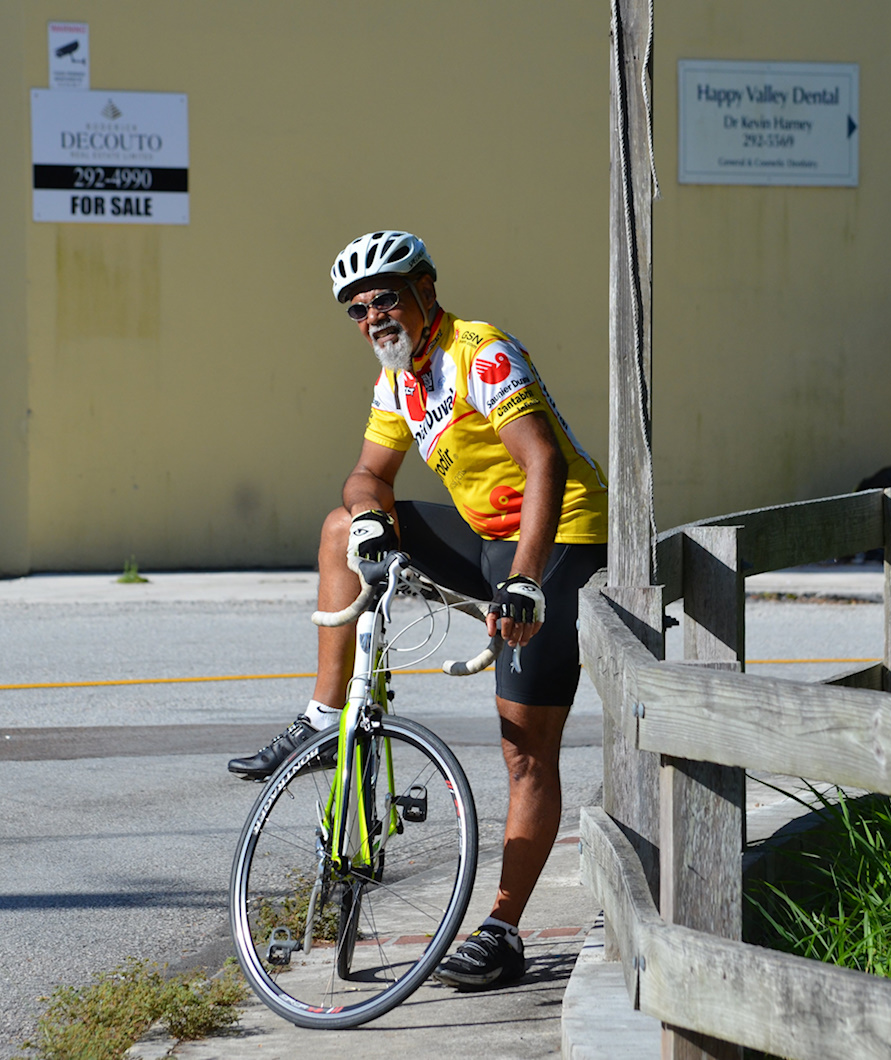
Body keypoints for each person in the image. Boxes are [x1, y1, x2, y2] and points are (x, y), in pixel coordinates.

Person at [228, 231, 608, 990]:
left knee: (525, 748)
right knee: (342, 532)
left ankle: (501, 931)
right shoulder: (397, 380)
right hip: (484, 541)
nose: (372, 316)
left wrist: (526, 580)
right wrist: (370, 514)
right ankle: (323, 719)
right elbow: (368, 473)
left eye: (385, 298)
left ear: (426, 290)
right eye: (357, 309)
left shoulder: (481, 351)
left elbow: (545, 460)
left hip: (560, 537)